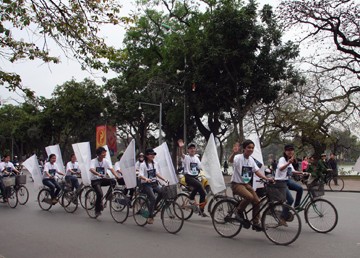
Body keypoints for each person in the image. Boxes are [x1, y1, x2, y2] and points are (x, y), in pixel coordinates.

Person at [230, 139, 272, 231]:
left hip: (246, 185)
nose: (251, 149)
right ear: (244, 148)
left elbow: (256, 171)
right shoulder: (238, 157)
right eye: (249, 147)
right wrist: (233, 153)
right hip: (237, 184)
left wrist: (266, 178)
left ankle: (256, 223)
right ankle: (238, 211)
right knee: (249, 197)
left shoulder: (251, 160)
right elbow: (230, 160)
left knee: (257, 201)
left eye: (252, 148)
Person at [178, 139, 208, 216]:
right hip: (188, 177)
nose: (192, 149)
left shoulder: (196, 158)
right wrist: (181, 148)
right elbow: (181, 154)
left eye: (193, 148)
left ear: (195, 149)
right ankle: (191, 198)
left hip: (195, 177)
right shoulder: (186, 157)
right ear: (188, 150)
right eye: (190, 148)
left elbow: (201, 167)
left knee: (203, 193)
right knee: (198, 185)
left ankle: (201, 210)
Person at [138, 148, 168, 224]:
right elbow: (140, 175)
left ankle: (154, 206)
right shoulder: (143, 164)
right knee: (152, 198)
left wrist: (164, 179)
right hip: (146, 185)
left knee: (162, 193)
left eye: (153, 154)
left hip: (154, 183)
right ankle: (150, 216)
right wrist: (146, 179)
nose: (152, 156)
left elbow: (156, 173)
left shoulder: (155, 163)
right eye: (151, 154)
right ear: (147, 155)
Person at [89, 146, 121, 218]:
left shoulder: (106, 161)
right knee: (100, 194)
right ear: (99, 154)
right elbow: (91, 169)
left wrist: (116, 176)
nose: (105, 154)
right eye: (103, 153)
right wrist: (97, 174)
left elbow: (111, 169)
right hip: (95, 180)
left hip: (102, 179)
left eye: (105, 153)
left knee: (113, 181)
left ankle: (108, 197)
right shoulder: (93, 161)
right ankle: (97, 210)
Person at [275, 144, 308, 211]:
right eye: (288, 150)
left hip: (286, 180)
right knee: (290, 200)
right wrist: (288, 163)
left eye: (291, 150)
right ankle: (282, 217)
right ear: (285, 151)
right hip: (280, 182)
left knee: (300, 188)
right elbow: (280, 168)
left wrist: (302, 173)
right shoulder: (282, 159)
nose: (290, 152)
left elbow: (292, 171)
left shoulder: (289, 160)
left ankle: (297, 206)